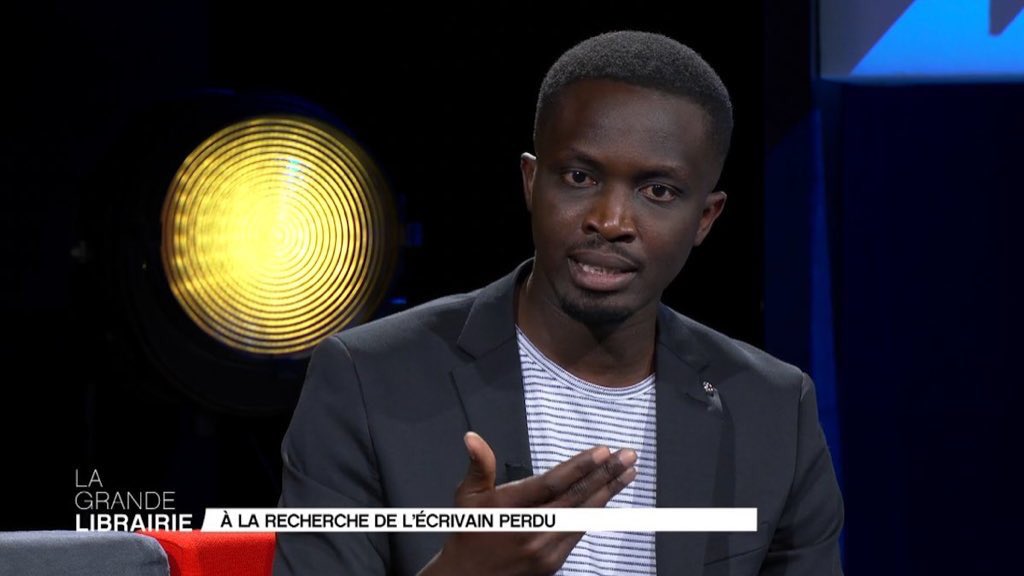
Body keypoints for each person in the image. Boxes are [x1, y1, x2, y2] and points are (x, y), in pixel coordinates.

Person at [273, 30, 844, 576]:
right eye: (579, 177)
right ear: (531, 181)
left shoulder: (773, 411)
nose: (611, 221)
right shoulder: (368, 381)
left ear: (705, 218)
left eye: (658, 191)